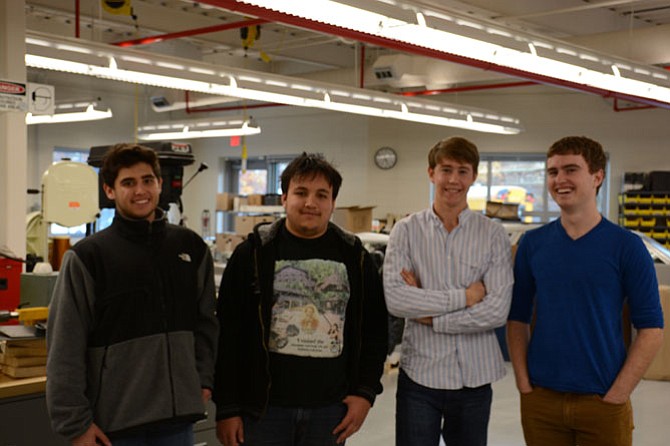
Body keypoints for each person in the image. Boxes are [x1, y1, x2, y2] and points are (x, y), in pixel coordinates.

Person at [46, 143, 219, 446]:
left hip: (177, 424)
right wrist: (75, 424)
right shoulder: (88, 257)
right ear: (110, 191)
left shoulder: (190, 248)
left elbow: (207, 323)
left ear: (160, 184)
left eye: (147, 180)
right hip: (115, 426)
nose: (140, 190)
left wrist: (204, 377)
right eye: (128, 183)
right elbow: (64, 345)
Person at [213, 152, 388, 446]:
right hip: (262, 410)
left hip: (330, 409)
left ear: (333, 203)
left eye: (322, 195)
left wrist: (365, 393)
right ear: (284, 198)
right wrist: (227, 407)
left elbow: (374, 329)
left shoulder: (355, 256)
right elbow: (228, 334)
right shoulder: (253, 254)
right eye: (301, 192)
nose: (311, 203)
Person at [507, 136, 665, 446]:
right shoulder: (532, 245)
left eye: (570, 169)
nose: (559, 179)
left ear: (597, 176)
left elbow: (651, 329)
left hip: (602, 401)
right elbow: (517, 318)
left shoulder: (627, 247)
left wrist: (619, 393)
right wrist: (524, 384)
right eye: (552, 172)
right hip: (541, 401)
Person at [384, 136, 514, 446]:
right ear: (431, 173)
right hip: (420, 377)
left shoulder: (493, 234)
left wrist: (430, 316)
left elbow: (496, 311)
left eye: (462, 171)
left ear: (473, 176)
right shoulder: (406, 230)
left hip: (475, 378)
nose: (453, 180)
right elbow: (397, 299)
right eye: (445, 170)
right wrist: (465, 298)